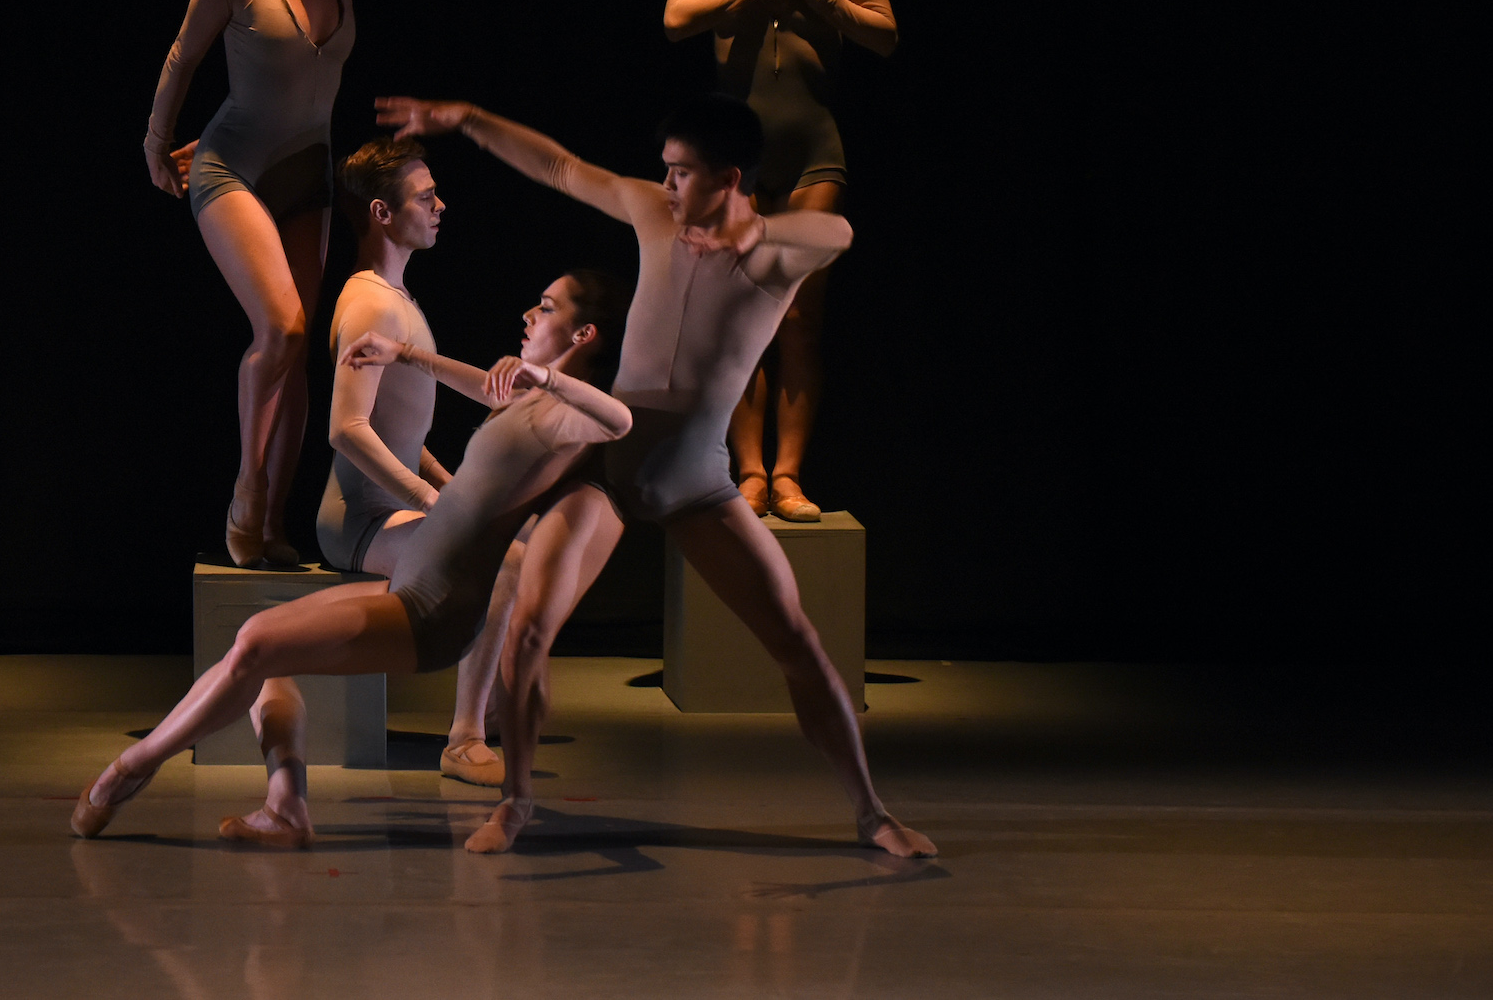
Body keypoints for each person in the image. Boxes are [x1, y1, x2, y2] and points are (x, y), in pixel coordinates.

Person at [375, 93, 933, 859]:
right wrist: (468, 120)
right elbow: (563, 167)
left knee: (796, 640)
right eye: (663, 171)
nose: (664, 186)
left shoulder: (774, 258)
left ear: (730, 177)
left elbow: (838, 228)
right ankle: (517, 802)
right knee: (529, 627)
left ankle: (871, 812)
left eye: (680, 173)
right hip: (607, 468)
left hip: (697, 480)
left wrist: (754, 232)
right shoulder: (653, 215)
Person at [70, 276, 632, 846]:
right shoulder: (526, 401)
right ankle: (285, 808)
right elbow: (484, 386)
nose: (529, 314)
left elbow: (620, 421)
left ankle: (130, 770)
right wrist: (404, 354)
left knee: (256, 643)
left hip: (433, 612)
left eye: (547, 307)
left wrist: (547, 374)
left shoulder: (568, 416)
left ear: (583, 333)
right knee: (265, 656)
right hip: (412, 589)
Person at [262, 138, 534, 798]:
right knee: (507, 560)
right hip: (361, 518)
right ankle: (465, 737)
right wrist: (426, 495)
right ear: (382, 212)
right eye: (425, 197)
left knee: (518, 544)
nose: (440, 205)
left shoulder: (394, 296)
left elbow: (400, 429)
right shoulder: (371, 304)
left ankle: (489, 703)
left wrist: (444, 485)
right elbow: (346, 428)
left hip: (391, 504)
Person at [660, 0, 897, 520]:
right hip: (736, 160)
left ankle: (790, 474)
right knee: (740, 320)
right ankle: (750, 470)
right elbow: (677, 18)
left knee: (798, 318)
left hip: (811, 155)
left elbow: (884, 33)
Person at [144, 0, 365, 567]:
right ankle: (245, 493)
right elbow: (183, 56)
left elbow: (303, 85)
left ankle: (270, 522)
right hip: (230, 167)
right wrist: (158, 142)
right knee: (282, 326)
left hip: (308, 173)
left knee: (299, 353)